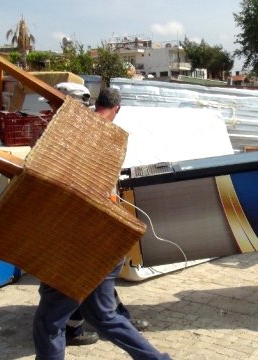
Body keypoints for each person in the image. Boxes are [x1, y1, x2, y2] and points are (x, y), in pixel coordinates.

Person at [33, 88, 171, 360]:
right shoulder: (111, 141)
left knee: (49, 321)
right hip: (106, 245)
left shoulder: (76, 139)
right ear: (117, 108)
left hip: (82, 248)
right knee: (104, 317)